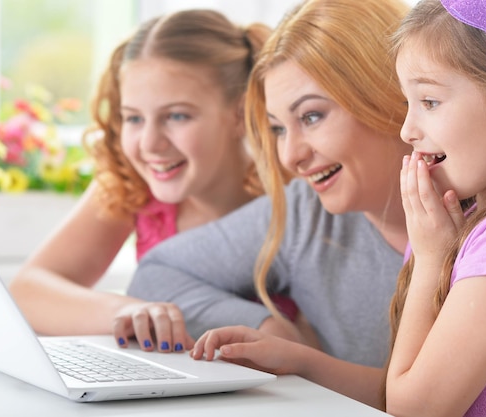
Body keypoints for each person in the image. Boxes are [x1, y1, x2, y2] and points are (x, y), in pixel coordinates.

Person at [128, 0, 411, 407]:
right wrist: (268, 330)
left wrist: (304, 362)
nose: (290, 156)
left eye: (311, 116)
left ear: (389, 93)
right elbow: (157, 272)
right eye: (278, 128)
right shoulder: (304, 213)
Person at [8, 9, 271, 352]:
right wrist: (129, 309)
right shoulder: (132, 184)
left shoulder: (292, 198)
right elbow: (29, 289)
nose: (149, 144)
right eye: (133, 118)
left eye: (177, 115)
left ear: (242, 113)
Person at [385, 0, 486, 416]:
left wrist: (431, 261)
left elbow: (414, 408)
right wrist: (304, 362)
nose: (407, 130)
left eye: (429, 102)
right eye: (407, 104)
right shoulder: (457, 226)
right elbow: (404, 385)